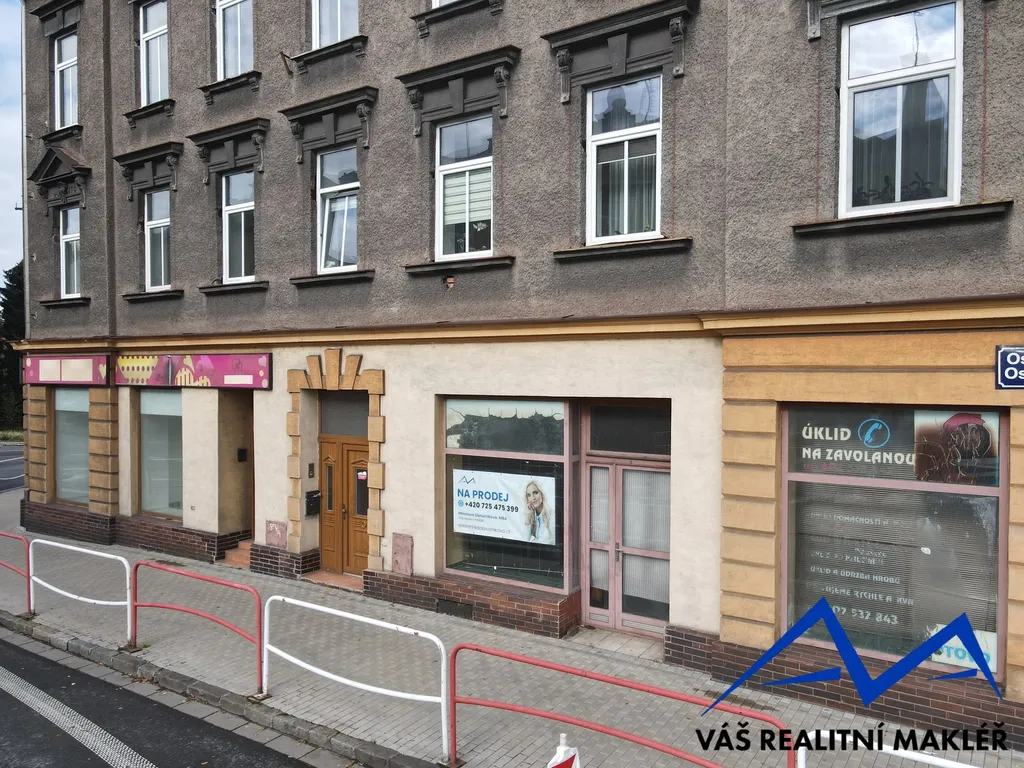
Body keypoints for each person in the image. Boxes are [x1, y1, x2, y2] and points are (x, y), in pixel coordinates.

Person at [523, 480, 555, 545]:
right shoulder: (532, 517)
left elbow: (545, 543)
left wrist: (532, 539)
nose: (533, 498)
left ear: (542, 494)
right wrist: (528, 518)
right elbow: (524, 541)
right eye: (529, 495)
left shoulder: (552, 516)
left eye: (535, 493)